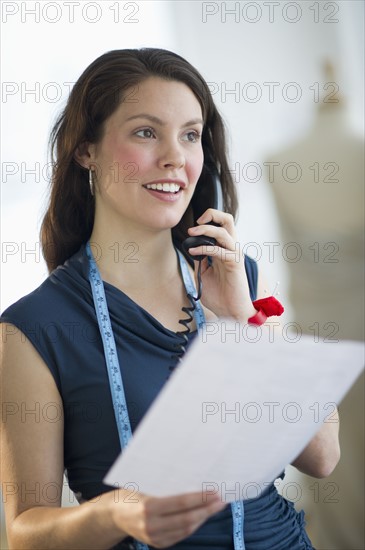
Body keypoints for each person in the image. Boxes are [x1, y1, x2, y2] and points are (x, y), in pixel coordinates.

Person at [0, 48, 340, 550]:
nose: (176, 158)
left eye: (190, 134)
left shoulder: (237, 279)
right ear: (85, 150)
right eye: (145, 132)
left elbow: (322, 456)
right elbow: (24, 532)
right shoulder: (37, 328)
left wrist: (241, 318)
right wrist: (117, 511)